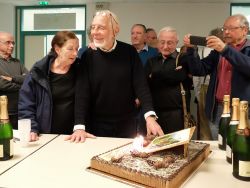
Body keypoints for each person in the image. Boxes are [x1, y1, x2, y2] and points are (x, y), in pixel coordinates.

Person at [74, 10, 164, 140]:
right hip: (96, 125)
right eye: (93, 27)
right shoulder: (87, 56)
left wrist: (150, 117)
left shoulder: (129, 52)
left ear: (115, 30)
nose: (95, 32)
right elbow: (82, 93)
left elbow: (141, 86)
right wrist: (79, 127)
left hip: (127, 124)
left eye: (101, 27)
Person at [18, 31, 94, 142]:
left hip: (74, 135)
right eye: (70, 49)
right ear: (57, 49)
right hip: (45, 135)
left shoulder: (80, 68)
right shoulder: (39, 71)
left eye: (77, 49)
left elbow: (84, 101)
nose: (75, 53)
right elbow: (26, 104)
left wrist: (80, 128)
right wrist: (32, 128)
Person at [183, 14, 250, 140]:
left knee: (242, 147)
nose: (227, 32)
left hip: (243, 110)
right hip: (218, 108)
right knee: (220, 147)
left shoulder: (236, 49)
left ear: (245, 30)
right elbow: (199, 69)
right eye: (225, 29)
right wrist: (192, 50)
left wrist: (224, 49)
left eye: (231, 28)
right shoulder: (219, 51)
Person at [144, 26, 190, 134]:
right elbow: (145, 83)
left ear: (176, 42)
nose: (165, 46)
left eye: (170, 43)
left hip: (176, 115)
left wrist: (154, 75)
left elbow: (179, 77)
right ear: (157, 42)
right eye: (162, 42)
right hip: (154, 114)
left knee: (176, 148)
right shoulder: (151, 61)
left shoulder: (183, 59)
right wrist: (172, 74)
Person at [131, 24, 158, 135]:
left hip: (147, 100)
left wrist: (140, 98)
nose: (134, 36)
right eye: (132, 33)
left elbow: (154, 77)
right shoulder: (126, 52)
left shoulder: (154, 53)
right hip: (129, 101)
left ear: (145, 36)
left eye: (138, 33)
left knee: (144, 134)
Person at [0, 31, 28, 129]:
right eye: (8, 42)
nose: (12, 46)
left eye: (13, 43)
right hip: (2, 113)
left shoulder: (17, 62)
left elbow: (29, 79)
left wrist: (12, 79)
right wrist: (22, 85)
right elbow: (2, 84)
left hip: (20, 110)